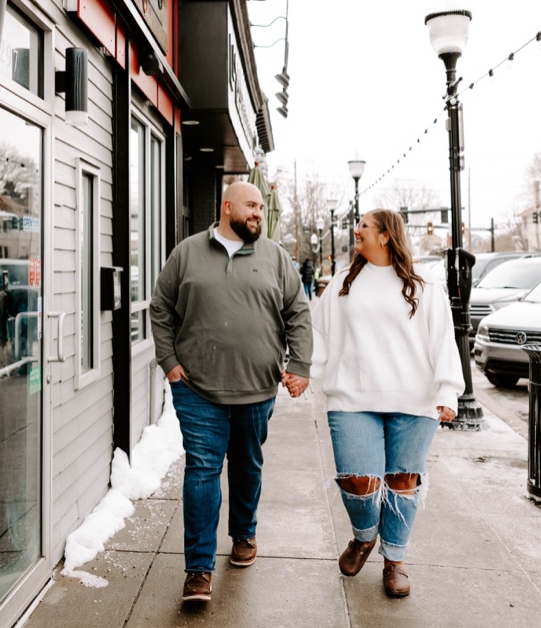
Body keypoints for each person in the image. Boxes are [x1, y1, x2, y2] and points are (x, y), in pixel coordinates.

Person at [151, 181, 313, 604]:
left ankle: (244, 533)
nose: (259, 213)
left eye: (262, 206)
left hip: (257, 388)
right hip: (197, 388)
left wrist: (299, 365)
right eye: (252, 205)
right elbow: (161, 308)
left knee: (246, 466)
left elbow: (297, 312)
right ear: (226, 207)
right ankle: (199, 570)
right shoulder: (186, 252)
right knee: (202, 471)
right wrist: (168, 361)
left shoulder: (275, 257)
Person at [312, 210, 464, 598]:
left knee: (401, 482)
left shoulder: (424, 284)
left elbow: (443, 339)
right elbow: (320, 334)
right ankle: (364, 535)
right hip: (352, 396)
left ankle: (394, 561)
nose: (355, 229)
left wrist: (448, 391)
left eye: (363, 225)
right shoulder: (346, 281)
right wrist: (303, 371)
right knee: (359, 480)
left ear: (385, 236)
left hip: (414, 400)